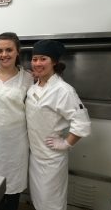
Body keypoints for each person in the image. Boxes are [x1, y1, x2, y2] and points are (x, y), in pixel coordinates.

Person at [26, 39, 91, 210]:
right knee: (39, 201)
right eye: (34, 59)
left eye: (43, 59)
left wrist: (66, 143)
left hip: (52, 160)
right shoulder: (33, 88)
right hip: (36, 157)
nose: (37, 63)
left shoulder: (63, 90)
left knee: (52, 204)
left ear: (54, 62)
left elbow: (82, 123)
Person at [0, 32, 33, 210]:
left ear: (18, 51)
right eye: (0, 50)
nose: (4, 55)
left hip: (16, 144)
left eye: (9, 50)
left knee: (12, 191)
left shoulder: (27, 78)